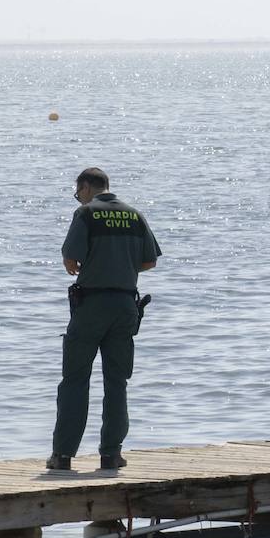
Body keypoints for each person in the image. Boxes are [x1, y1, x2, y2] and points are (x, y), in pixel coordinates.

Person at [46, 167, 160, 472]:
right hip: (125, 305)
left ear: (85, 188)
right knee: (117, 381)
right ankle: (111, 454)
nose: (78, 198)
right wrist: (120, 264)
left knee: (74, 380)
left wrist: (92, 264)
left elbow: (70, 259)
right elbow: (149, 260)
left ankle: (63, 456)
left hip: (92, 305)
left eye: (77, 192)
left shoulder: (85, 214)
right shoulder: (134, 215)